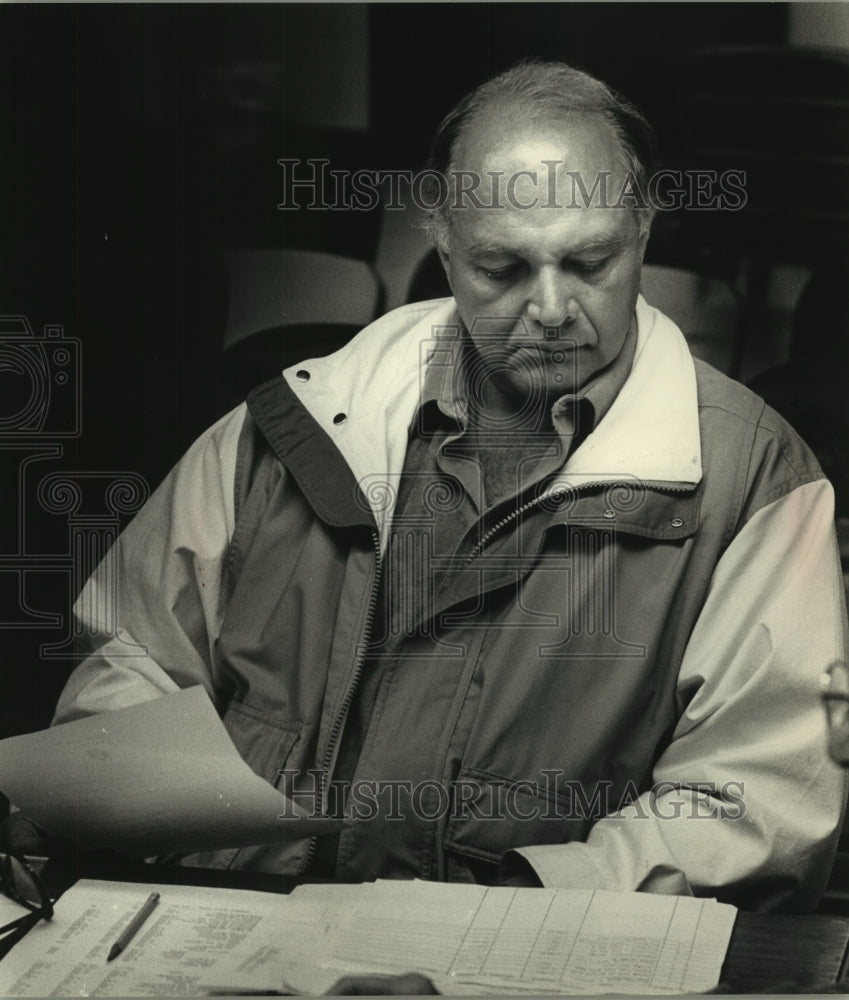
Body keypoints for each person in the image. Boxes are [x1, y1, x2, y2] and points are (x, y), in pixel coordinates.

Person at [39, 60, 848, 914]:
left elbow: (752, 801)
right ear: (440, 233)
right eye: (501, 268)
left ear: (644, 222)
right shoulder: (288, 426)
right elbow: (126, 667)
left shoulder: (754, 479)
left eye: (589, 262)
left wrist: (510, 908)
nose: (548, 309)